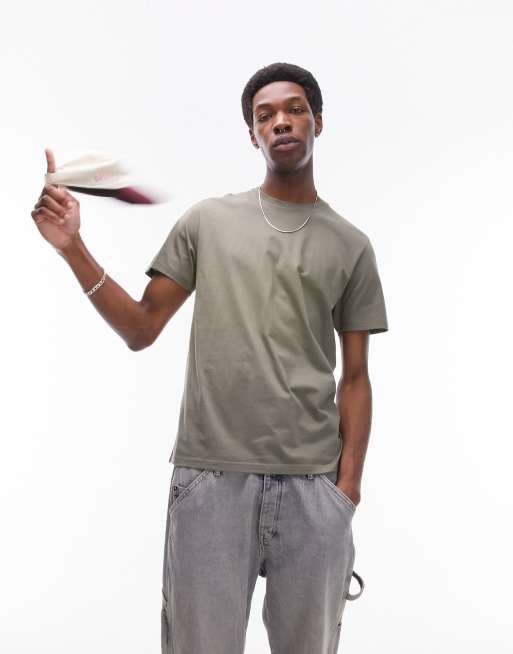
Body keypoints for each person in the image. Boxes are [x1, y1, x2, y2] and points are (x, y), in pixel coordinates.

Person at [31, 62, 388, 654]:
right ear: (253, 135)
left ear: (318, 122)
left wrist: (345, 488)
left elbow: (356, 378)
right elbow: (141, 327)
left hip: (314, 487)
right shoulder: (208, 221)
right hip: (211, 480)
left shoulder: (351, 245)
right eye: (265, 116)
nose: (280, 122)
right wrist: (73, 248)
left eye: (295, 109)